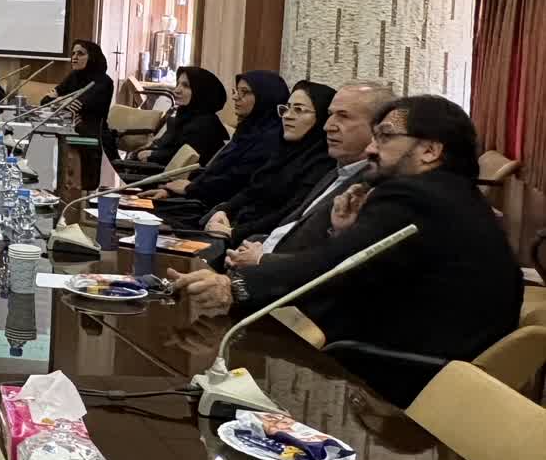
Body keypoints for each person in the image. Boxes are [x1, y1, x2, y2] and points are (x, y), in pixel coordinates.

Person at [169, 95, 521, 407]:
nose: (370, 149)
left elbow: (334, 266)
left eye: (385, 137)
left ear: (430, 151)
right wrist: (345, 233)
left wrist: (235, 285)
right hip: (441, 365)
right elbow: (370, 266)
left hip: (404, 371)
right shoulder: (456, 196)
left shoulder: (414, 196)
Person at [220, 80, 392, 262]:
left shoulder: (371, 186)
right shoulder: (337, 171)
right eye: (330, 115)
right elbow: (290, 227)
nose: (328, 126)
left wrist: (260, 259)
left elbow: (328, 256)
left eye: (343, 116)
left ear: (379, 129)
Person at [198, 81, 337, 245]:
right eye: (286, 108)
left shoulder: (323, 163)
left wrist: (234, 232)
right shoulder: (284, 149)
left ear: (321, 118)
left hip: (258, 242)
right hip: (237, 224)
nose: (287, 115)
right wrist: (224, 210)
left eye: (299, 110)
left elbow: (289, 213)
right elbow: (253, 189)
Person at [146, 71, 288, 218]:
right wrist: (171, 191)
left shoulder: (270, 141)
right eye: (236, 91)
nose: (235, 97)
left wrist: (190, 189)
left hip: (217, 215)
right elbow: (214, 172)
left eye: (244, 92)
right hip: (199, 203)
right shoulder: (247, 130)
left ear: (265, 98)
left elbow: (235, 182)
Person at [115, 65, 228, 180]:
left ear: (201, 91)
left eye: (186, 86)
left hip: (162, 181)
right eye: (178, 84)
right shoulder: (187, 115)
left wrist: (150, 154)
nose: (176, 90)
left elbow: (178, 162)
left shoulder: (204, 125)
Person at [47, 39, 113, 136]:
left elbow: (78, 107)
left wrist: (58, 100)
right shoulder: (74, 76)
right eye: (73, 53)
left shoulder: (104, 81)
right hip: (70, 129)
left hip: (93, 136)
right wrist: (64, 101)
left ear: (92, 57)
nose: (74, 57)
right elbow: (45, 101)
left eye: (80, 54)